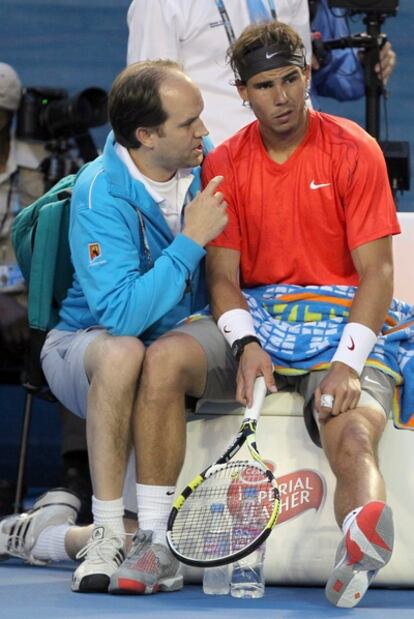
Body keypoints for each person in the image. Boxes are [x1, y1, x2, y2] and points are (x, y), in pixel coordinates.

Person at [127, 21, 400, 608]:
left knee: (352, 432)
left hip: (342, 320)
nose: (282, 97)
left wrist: (349, 363)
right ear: (241, 91)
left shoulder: (355, 149)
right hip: (259, 317)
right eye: (265, 85)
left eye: (291, 79)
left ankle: (359, 544)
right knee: (164, 359)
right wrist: (245, 343)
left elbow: (377, 272)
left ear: (306, 77)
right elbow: (222, 278)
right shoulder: (225, 164)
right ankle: (151, 541)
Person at [0, 59, 228, 595]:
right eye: (188, 123)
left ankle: (52, 534)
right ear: (146, 136)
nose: (204, 132)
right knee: (126, 348)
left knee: (141, 536)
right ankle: (101, 531)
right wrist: (190, 241)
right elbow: (121, 316)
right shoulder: (100, 190)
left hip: (171, 352)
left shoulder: (211, 165)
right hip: (85, 349)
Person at [0, 62, 91, 519]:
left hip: (35, 303)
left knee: (78, 339)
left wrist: (33, 306)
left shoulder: (44, 165)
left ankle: (78, 474)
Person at [126, 0, 396, 144]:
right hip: (211, 163)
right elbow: (149, 101)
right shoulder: (158, 3)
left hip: (294, 156)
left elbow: (301, 74)